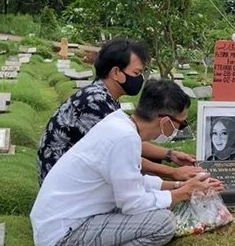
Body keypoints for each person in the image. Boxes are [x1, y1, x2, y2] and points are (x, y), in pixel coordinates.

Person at [31, 79, 224, 246]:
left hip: (64, 219)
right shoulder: (125, 138)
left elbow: (132, 182)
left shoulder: (119, 124)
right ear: (165, 121)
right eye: (181, 123)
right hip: (64, 233)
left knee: (159, 206)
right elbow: (133, 203)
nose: (180, 128)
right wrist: (182, 193)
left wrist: (179, 185)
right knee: (163, 224)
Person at [37, 38, 202, 185]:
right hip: (64, 183)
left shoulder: (104, 96)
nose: (140, 79)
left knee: (150, 165)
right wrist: (173, 173)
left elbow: (131, 141)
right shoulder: (95, 104)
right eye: (136, 73)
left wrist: (170, 154)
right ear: (116, 72)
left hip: (74, 172)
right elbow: (121, 154)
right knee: (141, 175)